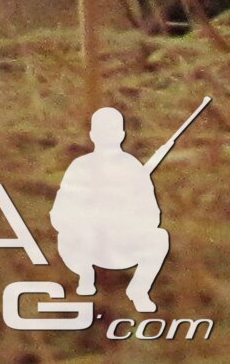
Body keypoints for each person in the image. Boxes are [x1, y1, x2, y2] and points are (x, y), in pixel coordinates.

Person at [50, 107, 171, 311]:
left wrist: (125, 214)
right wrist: (87, 219)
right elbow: (59, 214)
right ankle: (85, 275)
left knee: (160, 238)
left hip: (122, 245)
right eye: (103, 131)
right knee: (66, 236)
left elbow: (152, 217)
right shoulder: (80, 166)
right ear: (92, 135)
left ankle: (139, 290)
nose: (108, 136)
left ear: (122, 135)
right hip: (85, 246)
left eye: (112, 131)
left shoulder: (133, 168)